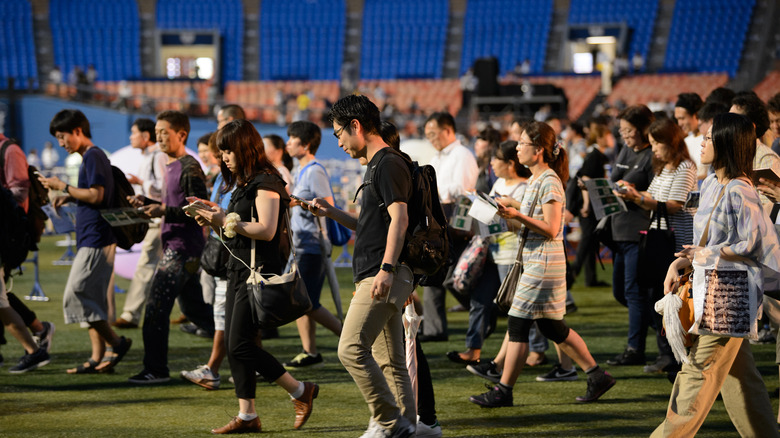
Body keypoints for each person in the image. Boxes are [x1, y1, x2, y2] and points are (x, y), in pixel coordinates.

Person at [651, 112, 780, 437]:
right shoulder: (711, 184)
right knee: (741, 383)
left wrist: (704, 255)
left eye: (709, 137)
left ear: (724, 143)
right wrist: (681, 263)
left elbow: (755, 242)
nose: (702, 142)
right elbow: (709, 240)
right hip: (714, 291)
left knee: (695, 377)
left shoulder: (740, 189)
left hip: (729, 298)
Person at [469, 121, 615, 407]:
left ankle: (503, 390)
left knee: (517, 324)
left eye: (522, 142)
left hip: (543, 263)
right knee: (552, 329)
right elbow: (535, 226)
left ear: (538, 150)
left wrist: (518, 215)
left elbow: (551, 228)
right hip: (537, 260)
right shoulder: (539, 179)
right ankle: (597, 376)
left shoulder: (548, 180)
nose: (518, 147)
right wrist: (507, 215)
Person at [192, 119, 318, 434]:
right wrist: (214, 220)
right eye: (221, 152)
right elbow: (237, 227)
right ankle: (247, 415)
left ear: (245, 148)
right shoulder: (244, 181)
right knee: (240, 344)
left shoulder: (266, 181)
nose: (224, 158)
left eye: (228, 151)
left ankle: (300, 390)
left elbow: (267, 229)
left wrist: (225, 221)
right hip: (239, 270)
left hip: (258, 272)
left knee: (239, 345)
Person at [309, 95, 417, 437]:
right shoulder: (377, 165)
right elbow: (373, 223)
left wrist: (386, 269)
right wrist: (332, 213)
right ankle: (407, 428)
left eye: (339, 133)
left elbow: (400, 219)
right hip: (381, 271)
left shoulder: (387, 163)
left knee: (350, 348)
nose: (338, 141)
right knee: (391, 362)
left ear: (356, 126)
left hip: (383, 272)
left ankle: (388, 421)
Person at [39, 109, 132, 374]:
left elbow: (98, 195)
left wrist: (63, 187)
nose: (61, 143)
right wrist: (70, 197)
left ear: (77, 131)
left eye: (62, 136)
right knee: (91, 298)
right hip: (92, 238)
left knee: (76, 294)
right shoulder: (90, 157)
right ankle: (97, 357)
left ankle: (117, 342)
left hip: (97, 239)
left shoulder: (94, 155)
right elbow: (91, 195)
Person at [128, 110, 214, 384]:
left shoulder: (190, 166)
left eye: (164, 132)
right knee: (197, 311)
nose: (159, 137)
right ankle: (249, 347)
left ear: (182, 134)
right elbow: (173, 204)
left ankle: (156, 369)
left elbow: (200, 210)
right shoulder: (170, 164)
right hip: (176, 246)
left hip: (184, 248)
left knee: (155, 309)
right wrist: (146, 201)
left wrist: (162, 210)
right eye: (157, 132)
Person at [616, 117, 696, 375]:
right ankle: (669, 354)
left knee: (670, 298)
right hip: (661, 239)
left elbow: (674, 204)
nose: (653, 149)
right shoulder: (665, 167)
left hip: (676, 241)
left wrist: (637, 197)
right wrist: (634, 191)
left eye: (656, 144)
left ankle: (675, 357)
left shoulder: (684, 167)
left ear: (670, 143)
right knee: (657, 296)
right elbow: (653, 195)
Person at [448, 140, 530, 366]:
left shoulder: (524, 188)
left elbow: (525, 224)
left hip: (511, 255)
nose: (492, 163)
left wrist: (501, 218)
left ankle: (536, 351)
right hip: (491, 252)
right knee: (480, 300)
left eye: (496, 159)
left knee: (518, 307)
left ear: (511, 163)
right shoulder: (501, 183)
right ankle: (473, 350)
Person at [283, 120, 343, 369]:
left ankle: (352, 340)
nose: (287, 144)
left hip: (312, 244)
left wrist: (301, 203)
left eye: (292, 140)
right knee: (302, 301)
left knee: (306, 301)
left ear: (305, 145)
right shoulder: (301, 169)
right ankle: (310, 351)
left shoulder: (315, 170)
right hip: (301, 243)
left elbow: (327, 205)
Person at [604, 105, 656, 367]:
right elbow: (615, 178)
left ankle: (635, 348)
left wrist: (633, 193)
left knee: (634, 293)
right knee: (621, 293)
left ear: (644, 129)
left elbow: (656, 194)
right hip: (618, 229)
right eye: (621, 130)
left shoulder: (652, 156)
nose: (624, 135)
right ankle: (661, 326)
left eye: (629, 131)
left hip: (640, 230)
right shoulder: (624, 150)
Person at [420, 112, 478, 342]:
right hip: (438, 217)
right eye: (428, 135)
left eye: (433, 134)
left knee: (454, 276)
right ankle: (434, 328)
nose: (431, 139)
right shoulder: (438, 158)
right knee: (432, 271)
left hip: (454, 217)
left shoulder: (462, 155)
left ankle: (483, 309)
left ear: (448, 130)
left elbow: (462, 190)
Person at [181, 135, 232, 390]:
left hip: (230, 254)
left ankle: (212, 369)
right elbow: (221, 208)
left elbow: (232, 216)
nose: (219, 156)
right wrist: (204, 208)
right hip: (219, 250)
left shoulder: (238, 178)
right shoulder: (223, 177)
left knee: (224, 315)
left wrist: (212, 215)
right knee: (229, 317)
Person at [0, 135, 52, 373]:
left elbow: (18, 196)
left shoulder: (9, 150)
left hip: (9, 235)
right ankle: (38, 332)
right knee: (3, 297)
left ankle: (36, 343)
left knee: (2, 300)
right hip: (6, 233)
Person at [113, 118, 164, 329]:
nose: (131, 137)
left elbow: (164, 188)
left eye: (134, 133)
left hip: (158, 216)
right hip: (153, 217)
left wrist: (141, 184)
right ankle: (193, 309)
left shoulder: (158, 156)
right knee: (170, 266)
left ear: (145, 136)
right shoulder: (149, 157)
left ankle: (131, 314)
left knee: (146, 265)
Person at [570, 121, 611, 288]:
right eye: (607, 134)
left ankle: (590, 278)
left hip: (591, 202)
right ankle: (572, 274)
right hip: (587, 203)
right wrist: (586, 203)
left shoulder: (595, 154)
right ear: (600, 137)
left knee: (591, 239)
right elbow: (584, 179)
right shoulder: (594, 155)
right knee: (587, 238)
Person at [674, 93, 705, 181]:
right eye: (677, 119)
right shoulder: (685, 141)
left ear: (696, 115)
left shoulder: (708, 141)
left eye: (682, 118)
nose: (679, 124)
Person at [473, 126, 500, 194]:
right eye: (477, 140)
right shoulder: (478, 163)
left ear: (491, 144)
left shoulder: (494, 167)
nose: (476, 144)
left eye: (482, 139)